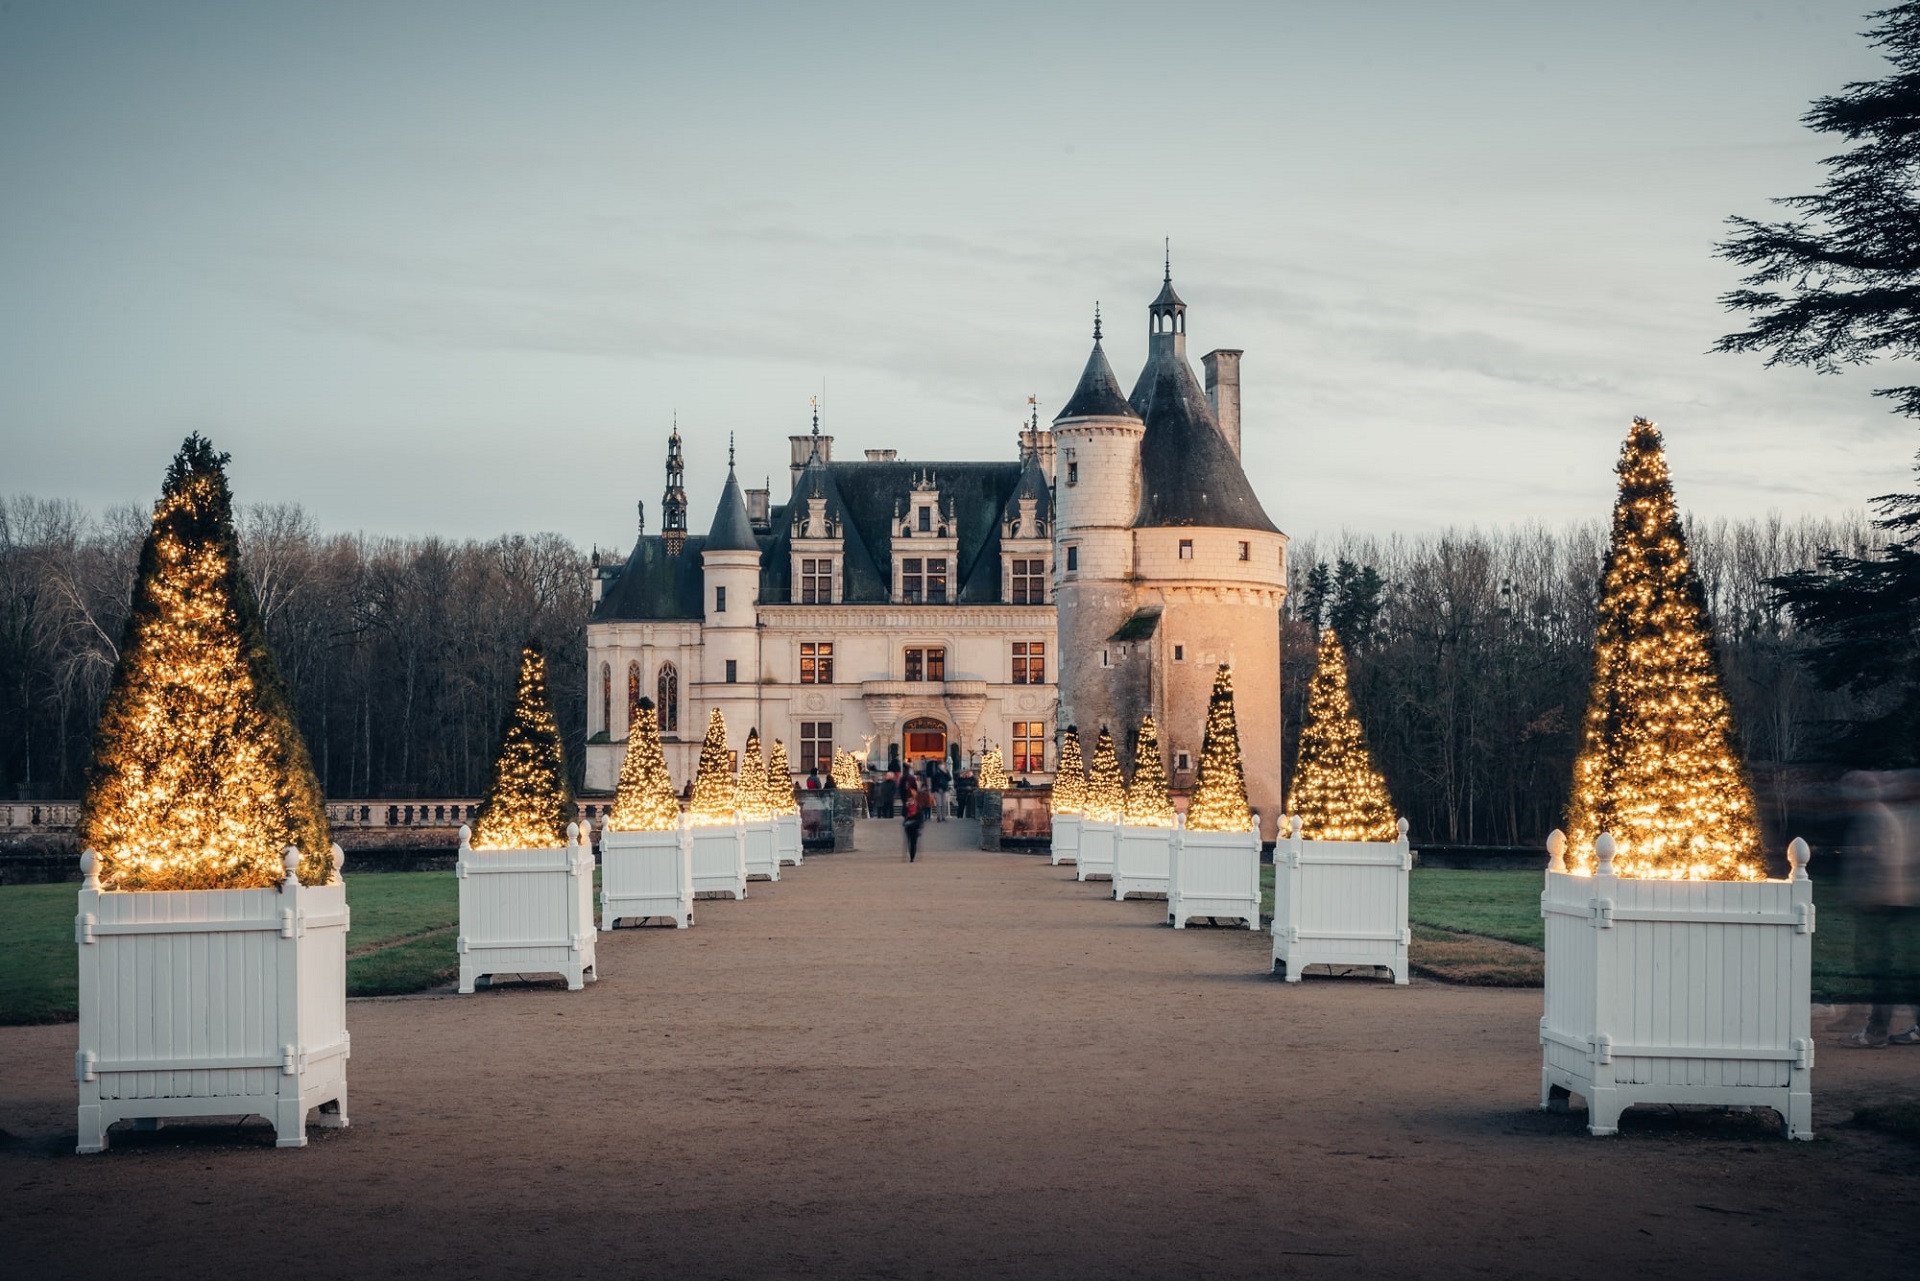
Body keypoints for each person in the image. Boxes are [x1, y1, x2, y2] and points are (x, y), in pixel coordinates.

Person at [1844, 770, 1920, 1047]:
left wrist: (1869, 897)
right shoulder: (1881, 814)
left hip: (1878, 903)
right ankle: (1878, 1027)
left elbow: (1883, 860)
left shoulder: (1873, 817)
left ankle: (1876, 1030)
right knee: (1888, 967)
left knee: (1879, 968)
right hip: (1886, 901)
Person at [902, 773, 927, 862]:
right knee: (909, 841)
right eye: (909, 800)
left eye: (911, 800)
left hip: (915, 825)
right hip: (908, 825)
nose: (910, 801)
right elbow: (903, 814)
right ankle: (911, 854)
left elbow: (920, 817)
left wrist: (920, 825)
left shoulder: (918, 807)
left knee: (914, 842)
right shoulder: (906, 806)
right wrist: (906, 808)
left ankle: (912, 856)